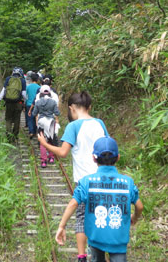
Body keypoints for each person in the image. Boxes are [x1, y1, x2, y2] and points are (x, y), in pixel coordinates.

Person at [38, 91, 108, 261]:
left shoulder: (73, 126)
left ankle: (82, 256)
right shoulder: (99, 123)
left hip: (84, 181)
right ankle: (101, 253)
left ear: (71, 108)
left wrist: (44, 144)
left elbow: (62, 152)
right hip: (104, 178)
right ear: (89, 107)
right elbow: (109, 148)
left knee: (82, 218)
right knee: (101, 215)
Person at [55, 137, 144, 262]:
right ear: (118, 157)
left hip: (96, 237)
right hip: (118, 240)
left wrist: (62, 226)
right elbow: (140, 206)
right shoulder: (127, 182)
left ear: (94, 158)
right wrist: (134, 217)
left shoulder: (87, 181)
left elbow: (73, 204)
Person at [32, 85, 60, 167]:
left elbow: (34, 113)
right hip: (51, 122)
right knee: (51, 140)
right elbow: (57, 113)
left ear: (41, 93)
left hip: (41, 123)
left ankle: (43, 161)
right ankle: (51, 158)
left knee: (43, 142)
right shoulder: (53, 102)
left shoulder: (38, 102)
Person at [0, 67, 26, 143]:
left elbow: (4, 90)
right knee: (17, 119)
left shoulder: (8, 79)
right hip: (18, 103)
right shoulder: (22, 80)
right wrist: (25, 102)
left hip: (9, 103)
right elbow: (23, 93)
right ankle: (15, 136)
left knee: (8, 119)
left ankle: (9, 136)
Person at [25, 73, 41, 139]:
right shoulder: (39, 87)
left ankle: (31, 131)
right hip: (37, 104)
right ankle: (35, 131)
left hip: (29, 104)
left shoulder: (28, 86)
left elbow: (25, 96)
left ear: (31, 79)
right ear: (37, 79)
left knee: (30, 118)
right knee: (36, 118)